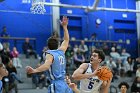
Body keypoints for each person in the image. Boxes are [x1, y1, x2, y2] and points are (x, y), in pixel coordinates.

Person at [26, 16, 73, 93]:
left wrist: (35, 70)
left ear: (48, 46)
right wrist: (65, 27)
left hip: (57, 84)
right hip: (65, 83)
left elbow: (46, 66)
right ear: (58, 45)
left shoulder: (49, 54)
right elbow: (66, 39)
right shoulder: (61, 51)